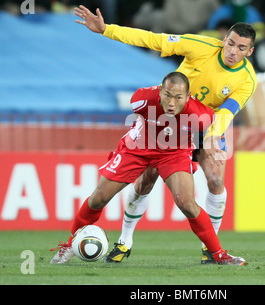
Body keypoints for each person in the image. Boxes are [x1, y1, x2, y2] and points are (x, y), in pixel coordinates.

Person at [73, 4, 257, 264]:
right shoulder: (201, 46)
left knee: (215, 179)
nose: (233, 51)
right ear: (223, 39)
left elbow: (227, 111)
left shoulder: (248, 80)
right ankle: (125, 242)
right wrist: (106, 30)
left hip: (206, 123)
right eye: (231, 44)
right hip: (169, 117)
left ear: (250, 52)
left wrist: (214, 136)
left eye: (241, 48)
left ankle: (211, 249)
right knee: (146, 179)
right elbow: (153, 39)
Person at [50, 72, 246, 266]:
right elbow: (139, 120)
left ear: (188, 97)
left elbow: (214, 128)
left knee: (187, 203)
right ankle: (69, 246)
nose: (171, 102)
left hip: (174, 153)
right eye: (167, 95)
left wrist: (213, 143)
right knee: (99, 197)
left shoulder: (201, 115)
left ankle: (219, 255)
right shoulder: (141, 99)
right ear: (160, 91)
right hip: (138, 149)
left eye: (178, 98)